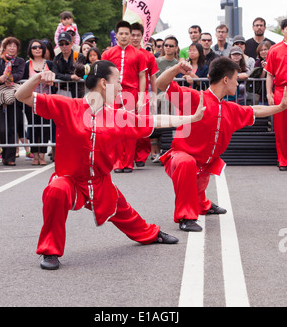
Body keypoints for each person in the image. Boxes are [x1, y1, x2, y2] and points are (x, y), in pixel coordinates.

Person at [15, 60, 206, 270]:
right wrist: (38, 77)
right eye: (119, 82)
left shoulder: (118, 116)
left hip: (100, 183)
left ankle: (151, 234)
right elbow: (21, 95)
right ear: (104, 84)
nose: (122, 88)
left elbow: (154, 120)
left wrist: (190, 118)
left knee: (125, 213)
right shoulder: (67, 107)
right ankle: (49, 251)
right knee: (56, 190)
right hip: (70, 181)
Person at [156, 57, 287, 232]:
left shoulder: (229, 108)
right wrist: (176, 68)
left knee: (200, 179)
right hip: (181, 159)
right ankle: (185, 217)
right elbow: (160, 83)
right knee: (187, 163)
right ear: (226, 79)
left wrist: (280, 107)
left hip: (205, 162)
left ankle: (203, 204)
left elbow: (254, 110)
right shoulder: (195, 98)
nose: (237, 83)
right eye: (235, 79)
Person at [101, 20, 148, 173]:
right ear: (116, 35)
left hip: (131, 93)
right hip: (112, 93)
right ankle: (116, 163)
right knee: (114, 128)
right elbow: (102, 76)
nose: (124, 36)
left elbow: (142, 76)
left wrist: (141, 98)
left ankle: (128, 162)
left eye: (126, 33)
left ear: (130, 35)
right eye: (121, 33)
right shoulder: (107, 53)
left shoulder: (139, 54)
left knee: (129, 129)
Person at [0, 37, 25, 166]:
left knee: (12, 128)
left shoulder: (20, 61)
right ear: (5, 47)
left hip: (14, 97)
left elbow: (21, 74)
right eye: (9, 45)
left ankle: (10, 158)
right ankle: (5, 153)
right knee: (2, 129)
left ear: (17, 48)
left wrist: (9, 78)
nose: (12, 48)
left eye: (14, 45)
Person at [130, 22, 159, 167]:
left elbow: (153, 78)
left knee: (142, 127)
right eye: (132, 35)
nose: (135, 38)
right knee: (127, 126)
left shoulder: (148, 56)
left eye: (138, 35)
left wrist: (154, 96)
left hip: (144, 95)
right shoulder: (123, 55)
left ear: (142, 37)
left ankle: (140, 157)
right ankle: (127, 157)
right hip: (126, 95)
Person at [23, 40, 53, 165]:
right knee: (33, 127)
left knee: (45, 128)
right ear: (30, 49)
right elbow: (23, 82)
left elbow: (54, 80)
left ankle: (42, 155)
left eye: (40, 47)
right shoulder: (26, 65)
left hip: (45, 100)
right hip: (30, 100)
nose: (37, 49)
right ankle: (35, 155)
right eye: (34, 47)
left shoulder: (49, 64)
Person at [265, 18, 287, 171]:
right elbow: (269, 75)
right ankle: (283, 160)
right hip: (280, 90)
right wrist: (269, 93)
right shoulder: (274, 49)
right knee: (281, 128)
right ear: (282, 30)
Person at [52, 32, 85, 98]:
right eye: (61, 44)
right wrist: (70, 77)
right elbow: (55, 74)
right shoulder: (57, 58)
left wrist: (63, 77)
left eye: (66, 43)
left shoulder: (79, 56)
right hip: (61, 91)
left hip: (76, 92)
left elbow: (79, 74)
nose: (64, 46)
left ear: (71, 43)